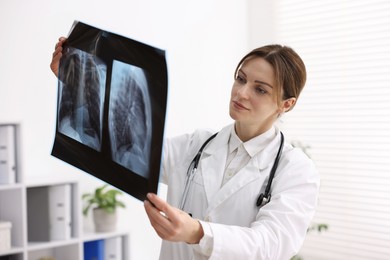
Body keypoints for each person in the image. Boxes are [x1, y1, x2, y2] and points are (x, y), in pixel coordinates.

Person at [51, 38, 320, 260]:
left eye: (260, 89)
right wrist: (74, 82)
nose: (241, 93)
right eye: (241, 79)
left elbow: (271, 244)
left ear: (287, 104)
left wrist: (198, 232)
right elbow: (125, 144)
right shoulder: (196, 145)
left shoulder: (296, 171)